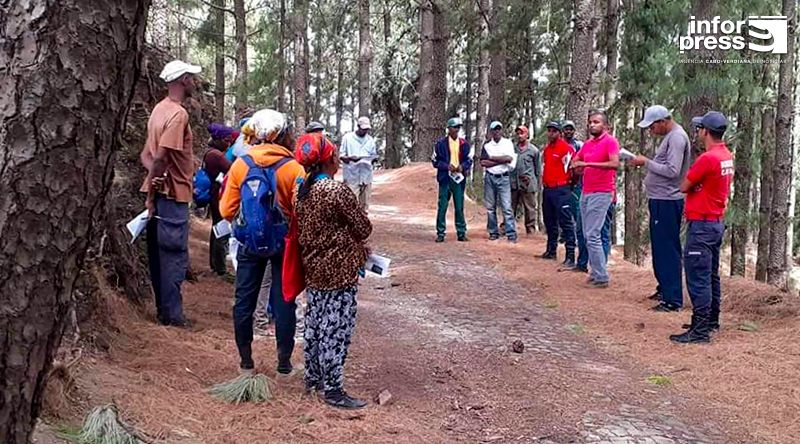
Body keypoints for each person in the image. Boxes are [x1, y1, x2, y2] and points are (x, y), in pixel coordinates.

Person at [219, 109, 306, 375]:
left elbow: (226, 210)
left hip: (249, 244)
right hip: (284, 244)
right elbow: (301, 209)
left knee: (244, 299)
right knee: (284, 300)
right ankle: (283, 363)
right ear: (283, 134)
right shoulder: (293, 167)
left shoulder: (241, 165)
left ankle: (246, 362)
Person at [294, 132, 372, 409]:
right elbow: (363, 228)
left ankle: (313, 378)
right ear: (329, 159)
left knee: (315, 325)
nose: (338, 158)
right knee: (336, 328)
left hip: (313, 269)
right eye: (336, 154)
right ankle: (334, 388)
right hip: (339, 271)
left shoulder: (301, 190)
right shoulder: (335, 191)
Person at [140, 60, 201, 327]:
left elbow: (147, 156)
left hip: (160, 192)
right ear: (184, 80)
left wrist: (153, 177)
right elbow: (161, 157)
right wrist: (153, 190)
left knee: (157, 254)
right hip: (172, 195)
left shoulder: (158, 111)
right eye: (191, 77)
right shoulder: (178, 115)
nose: (194, 82)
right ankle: (173, 316)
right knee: (174, 255)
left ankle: (164, 311)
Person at [670, 111, 733, 344]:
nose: (697, 133)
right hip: (715, 222)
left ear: (706, 131)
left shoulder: (708, 159)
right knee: (710, 275)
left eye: (699, 129)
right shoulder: (726, 155)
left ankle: (700, 331)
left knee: (698, 278)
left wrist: (693, 186)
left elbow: (685, 185)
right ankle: (710, 321)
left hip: (703, 225)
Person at [631, 105, 692, 312]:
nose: (651, 131)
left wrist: (646, 162)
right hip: (660, 198)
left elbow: (673, 171)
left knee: (667, 248)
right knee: (660, 246)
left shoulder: (676, 138)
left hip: (667, 199)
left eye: (652, 126)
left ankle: (673, 298)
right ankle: (665, 288)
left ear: (663, 122)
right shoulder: (671, 137)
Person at [571, 110, 620, 288]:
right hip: (586, 191)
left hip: (603, 191)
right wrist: (576, 165)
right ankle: (595, 272)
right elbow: (578, 159)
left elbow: (615, 163)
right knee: (586, 233)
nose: (592, 125)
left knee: (593, 234)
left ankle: (601, 276)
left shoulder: (610, 142)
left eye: (597, 122)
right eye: (591, 122)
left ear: (605, 126)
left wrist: (587, 164)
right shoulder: (587, 144)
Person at [540, 121, 576, 263]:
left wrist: (569, 186)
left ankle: (570, 255)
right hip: (548, 189)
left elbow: (573, 169)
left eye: (554, 131)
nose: (551, 133)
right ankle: (551, 250)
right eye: (549, 130)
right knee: (549, 221)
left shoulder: (566, 149)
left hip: (561, 189)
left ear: (559, 133)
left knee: (566, 222)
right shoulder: (547, 149)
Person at [433, 117, 472, 242]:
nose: (456, 130)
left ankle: (461, 232)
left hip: (459, 179)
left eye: (458, 127)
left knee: (459, 206)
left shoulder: (464, 144)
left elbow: (469, 160)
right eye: (454, 127)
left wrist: (462, 167)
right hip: (445, 178)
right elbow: (434, 160)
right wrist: (446, 166)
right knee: (442, 205)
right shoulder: (440, 144)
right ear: (448, 129)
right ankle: (440, 233)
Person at [204, 123, 236, 278]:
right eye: (226, 139)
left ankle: (215, 265)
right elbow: (233, 170)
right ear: (218, 139)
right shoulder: (216, 155)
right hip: (219, 195)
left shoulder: (210, 153)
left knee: (216, 228)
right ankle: (221, 269)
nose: (228, 143)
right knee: (222, 229)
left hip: (215, 194)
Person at [480, 121, 518, 242]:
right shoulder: (487, 145)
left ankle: (511, 233)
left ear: (501, 130)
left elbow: (509, 158)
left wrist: (491, 158)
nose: (496, 131)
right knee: (490, 207)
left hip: (503, 177)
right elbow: (483, 162)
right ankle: (493, 232)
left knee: (506, 207)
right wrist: (501, 160)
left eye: (498, 129)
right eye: (494, 129)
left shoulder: (507, 143)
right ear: (491, 131)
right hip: (490, 177)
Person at [562, 120, 588, 272]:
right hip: (562, 184)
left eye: (571, 129)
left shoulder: (579, 145)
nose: (568, 131)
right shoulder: (558, 145)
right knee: (565, 215)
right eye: (566, 129)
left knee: (577, 214)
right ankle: (565, 238)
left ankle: (578, 249)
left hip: (576, 184)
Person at [340, 116, 377, 212]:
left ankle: (363, 225)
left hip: (366, 176)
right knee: (351, 205)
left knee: (364, 206)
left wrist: (374, 159)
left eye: (367, 130)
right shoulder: (347, 138)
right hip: (352, 176)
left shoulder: (370, 140)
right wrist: (350, 158)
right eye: (363, 129)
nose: (365, 131)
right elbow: (341, 156)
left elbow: (373, 155)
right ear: (358, 126)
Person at [511, 125, 541, 235]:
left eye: (522, 133)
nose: (519, 136)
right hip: (513, 182)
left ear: (527, 135)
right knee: (511, 206)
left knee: (530, 208)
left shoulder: (534, 150)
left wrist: (536, 184)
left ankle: (531, 231)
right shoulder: (512, 148)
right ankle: (507, 228)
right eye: (518, 133)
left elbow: (537, 169)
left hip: (528, 183)